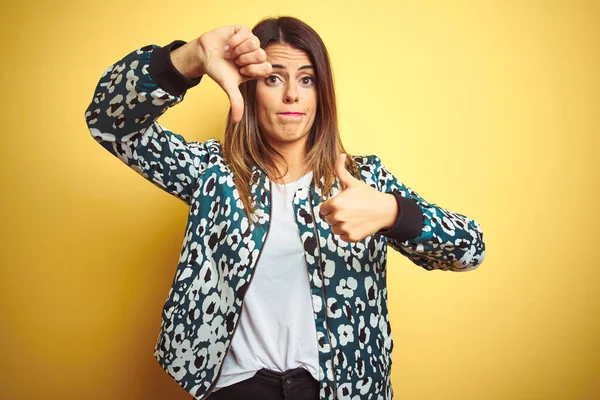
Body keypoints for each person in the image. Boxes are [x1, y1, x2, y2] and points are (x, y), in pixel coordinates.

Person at [84, 16, 485, 400]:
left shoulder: (364, 182)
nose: (292, 94)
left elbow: (470, 250)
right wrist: (191, 56)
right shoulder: (213, 174)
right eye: (274, 78)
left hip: (341, 390)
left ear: (321, 93)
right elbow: (109, 121)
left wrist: (394, 213)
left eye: (307, 80)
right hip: (236, 388)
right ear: (249, 87)